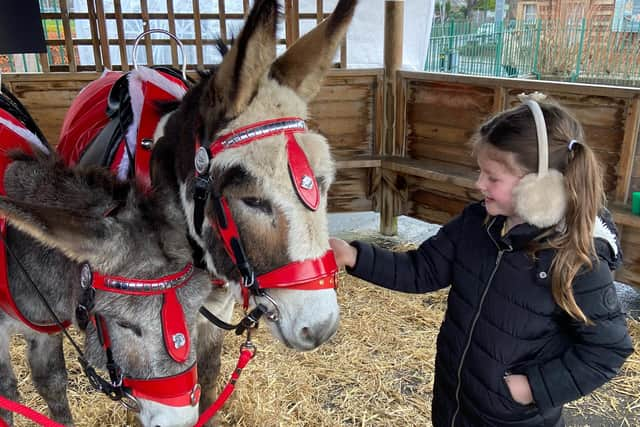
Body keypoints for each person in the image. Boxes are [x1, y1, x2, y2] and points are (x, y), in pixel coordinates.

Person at [330, 93, 634, 427]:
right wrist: (354, 255)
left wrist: (530, 388)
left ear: (540, 188)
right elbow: (422, 270)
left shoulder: (576, 259)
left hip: (512, 418)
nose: (478, 184)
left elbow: (607, 350)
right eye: (480, 172)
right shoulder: (476, 224)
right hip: (455, 401)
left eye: (492, 177)